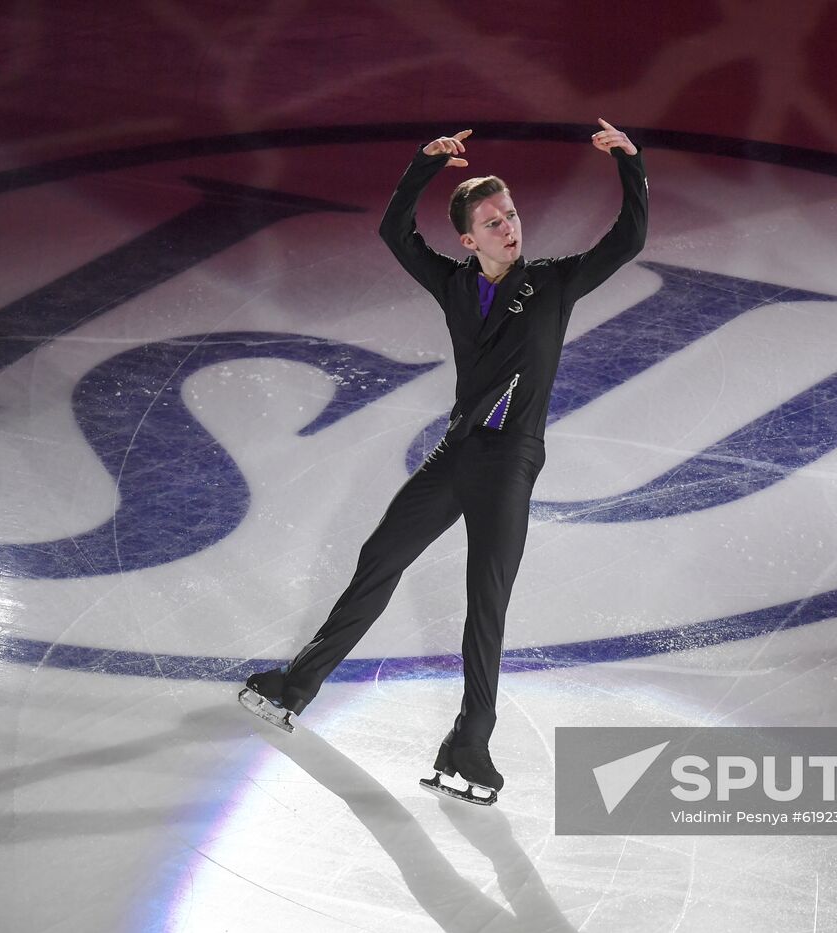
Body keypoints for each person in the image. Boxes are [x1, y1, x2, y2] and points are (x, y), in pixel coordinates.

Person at [241, 119, 648, 805]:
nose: (509, 228)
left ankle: (471, 747)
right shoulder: (456, 284)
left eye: (511, 215)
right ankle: (295, 686)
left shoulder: (552, 283)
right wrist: (422, 166)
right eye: (492, 223)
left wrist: (630, 166)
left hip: (510, 462)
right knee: (381, 554)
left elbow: (628, 239)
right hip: (459, 450)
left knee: (485, 605)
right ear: (468, 239)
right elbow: (394, 232)